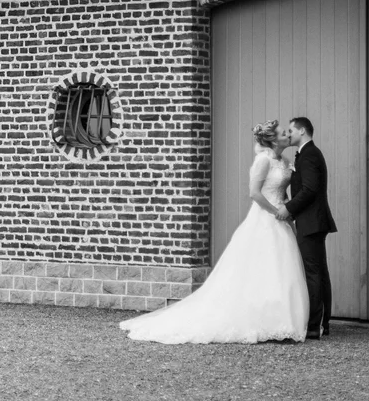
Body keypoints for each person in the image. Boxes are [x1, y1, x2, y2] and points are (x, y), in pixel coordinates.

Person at [119, 120, 308, 343]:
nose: (287, 136)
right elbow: (254, 193)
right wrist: (277, 212)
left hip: (281, 220)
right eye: (283, 133)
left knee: (280, 269)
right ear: (273, 140)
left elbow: (281, 190)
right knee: (260, 267)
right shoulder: (263, 160)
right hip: (265, 218)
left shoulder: (284, 161)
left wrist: (288, 209)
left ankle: (279, 321)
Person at [275, 116, 337, 339]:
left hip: (311, 222)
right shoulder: (306, 153)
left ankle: (315, 325)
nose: (289, 134)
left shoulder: (309, 154)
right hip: (312, 221)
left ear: (302, 131)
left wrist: (288, 208)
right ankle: (322, 323)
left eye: (291, 130)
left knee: (314, 273)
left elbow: (309, 189)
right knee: (319, 271)